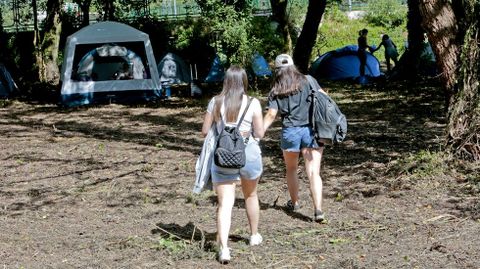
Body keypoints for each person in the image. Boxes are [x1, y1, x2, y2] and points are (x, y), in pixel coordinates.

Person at [201, 65, 265, 264]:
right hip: (249, 153)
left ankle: (224, 249)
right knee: (251, 195)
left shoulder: (215, 101)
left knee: (225, 204)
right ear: (244, 81)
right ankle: (254, 235)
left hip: (223, 156)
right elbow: (260, 133)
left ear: (226, 81)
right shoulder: (253, 103)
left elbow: (204, 130)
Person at [263, 54, 325, 223]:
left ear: (277, 71)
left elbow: (271, 114)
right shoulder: (309, 80)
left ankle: (295, 203)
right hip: (311, 131)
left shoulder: (276, 89)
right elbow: (323, 98)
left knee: (291, 169)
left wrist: (258, 132)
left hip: (290, 132)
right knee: (313, 171)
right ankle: (318, 209)